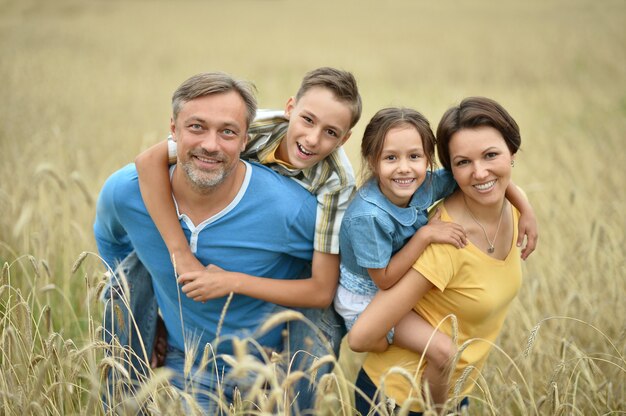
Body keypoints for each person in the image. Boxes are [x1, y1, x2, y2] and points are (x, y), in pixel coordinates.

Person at [132, 67, 362, 410]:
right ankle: (130, 380)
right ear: (289, 108)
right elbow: (148, 160)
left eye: (330, 132)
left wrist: (231, 281)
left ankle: (291, 401)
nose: (313, 139)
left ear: (344, 140)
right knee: (139, 247)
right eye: (307, 120)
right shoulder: (248, 129)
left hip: (307, 265)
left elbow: (320, 289)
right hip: (250, 239)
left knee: (309, 355)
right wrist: (180, 252)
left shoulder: (337, 183)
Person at [94, 72, 320, 412]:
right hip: (183, 365)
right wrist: (143, 307)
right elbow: (111, 242)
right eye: (196, 127)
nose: (211, 145)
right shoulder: (127, 192)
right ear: (173, 129)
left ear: (246, 139)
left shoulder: (290, 209)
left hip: (269, 376)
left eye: (227, 132)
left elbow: (334, 282)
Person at [347, 97, 534, 415]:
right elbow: (363, 333)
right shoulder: (444, 242)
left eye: (491, 155)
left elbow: (496, 182)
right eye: (463, 162)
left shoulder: (512, 210)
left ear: (512, 153)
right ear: (452, 168)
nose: (479, 172)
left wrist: (526, 208)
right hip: (399, 399)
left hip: (450, 390)